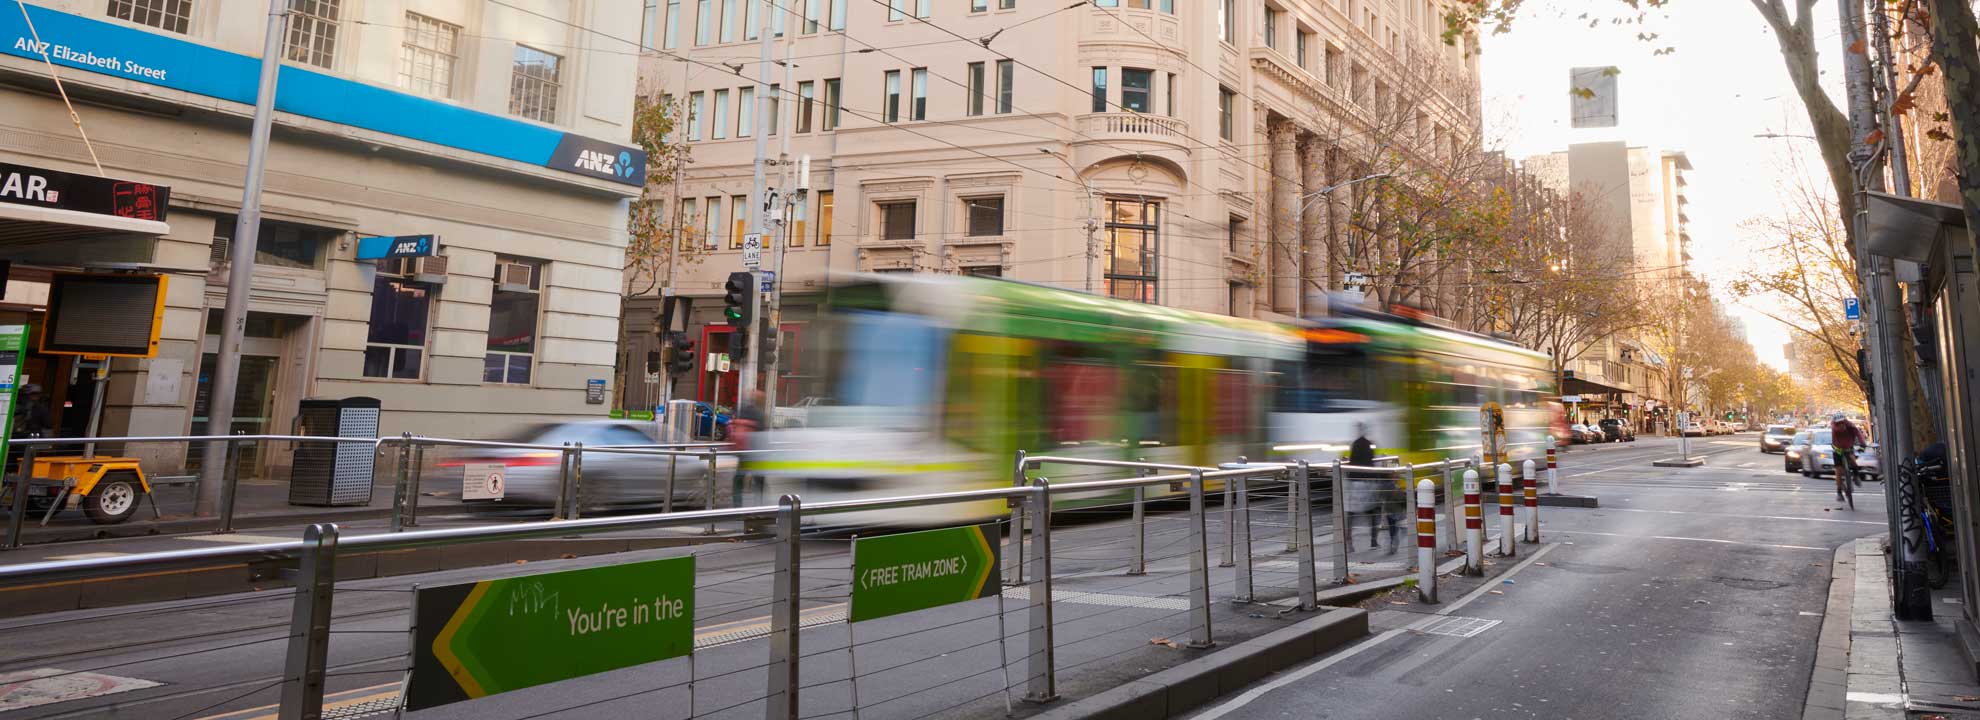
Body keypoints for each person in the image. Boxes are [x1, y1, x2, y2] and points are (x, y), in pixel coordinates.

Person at [1346, 424, 1400, 553]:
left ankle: (1349, 544)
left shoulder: (1354, 444)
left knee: (1351, 514)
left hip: (1354, 483)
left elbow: (1352, 462)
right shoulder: (1370, 444)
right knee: (1374, 512)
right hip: (1368, 482)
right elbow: (1372, 462)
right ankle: (1374, 541)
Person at [1830, 413, 1864, 501]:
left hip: (1849, 447)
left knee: (1852, 459)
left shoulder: (1850, 426)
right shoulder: (1834, 428)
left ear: (1845, 422)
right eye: (1838, 424)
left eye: (1842, 423)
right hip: (1838, 449)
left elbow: (1859, 434)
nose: (1840, 426)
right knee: (1838, 471)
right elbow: (1834, 442)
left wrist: (1863, 444)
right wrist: (1837, 450)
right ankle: (1839, 492)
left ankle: (1856, 475)